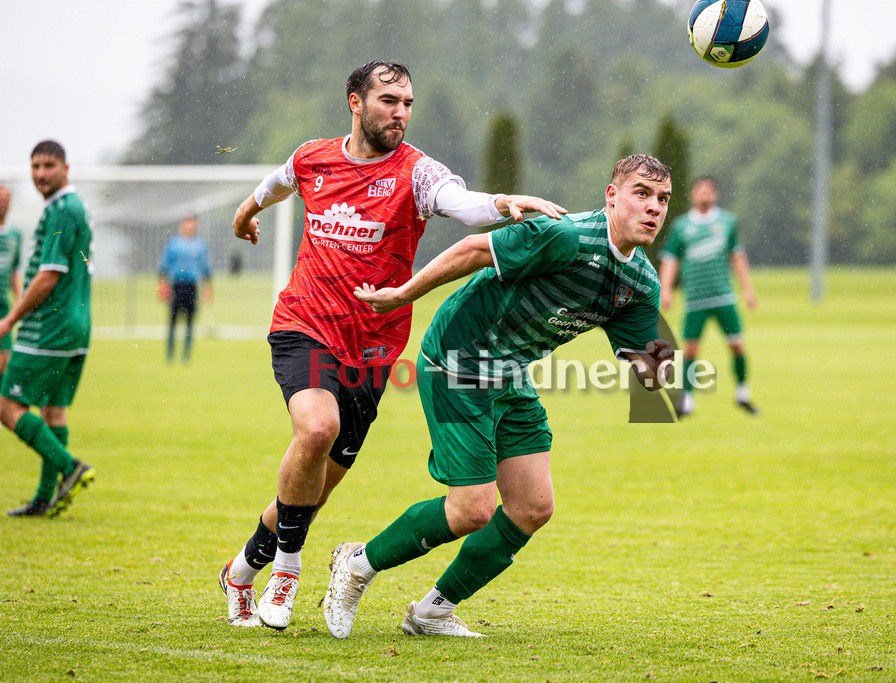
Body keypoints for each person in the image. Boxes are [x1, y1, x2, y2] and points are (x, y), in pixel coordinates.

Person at [219, 60, 566, 629]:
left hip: (373, 348)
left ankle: (240, 570)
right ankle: (286, 568)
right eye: (388, 101)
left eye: (407, 102)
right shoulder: (314, 157)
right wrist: (245, 212)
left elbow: (463, 202)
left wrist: (503, 204)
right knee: (316, 428)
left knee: (314, 487)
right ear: (355, 102)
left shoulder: (416, 173)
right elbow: (277, 182)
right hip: (304, 323)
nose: (400, 112)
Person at [321, 154, 676, 639]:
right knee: (472, 509)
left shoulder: (641, 281)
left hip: (509, 373)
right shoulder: (565, 235)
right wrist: (404, 294)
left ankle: (431, 612)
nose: (653, 207)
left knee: (532, 505)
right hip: (457, 361)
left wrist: (665, 368)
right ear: (611, 196)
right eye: (641, 193)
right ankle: (359, 563)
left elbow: (649, 366)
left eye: (662, 199)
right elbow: (472, 250)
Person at [1, 141, 95, 517]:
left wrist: (10, 320)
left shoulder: (61, 209)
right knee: (54, 411)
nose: (41, 173)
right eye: (35, 166)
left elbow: (47, 277)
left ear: (65, 168)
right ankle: (43, 499)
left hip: (49, 329)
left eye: (49, 165)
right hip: (77, 327)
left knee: (7, 405)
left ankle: (70, 467)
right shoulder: (76, 207)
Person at [657, 176, 758, 418]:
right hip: (695, 298)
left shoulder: (727, 222)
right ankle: (687, 400)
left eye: (708, 191)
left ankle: (742, 393)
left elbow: (737, 256)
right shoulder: (682, 226)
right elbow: (671, 259)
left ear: (715, 195)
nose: (704, 195)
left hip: (724, 296)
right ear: (693, 194)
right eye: (700, 191)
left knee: (737, 345)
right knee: (690, 350)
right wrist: (665, 290)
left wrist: (748, 289)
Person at [158, 214, 212, 362]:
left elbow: (206, 268)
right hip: (176, 286)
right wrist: (162, 286)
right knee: (173, 321)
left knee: (190, 322)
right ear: (182, 225)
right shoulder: (173, 244)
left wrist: (208, 289)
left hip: (192, 287)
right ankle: (169, 353)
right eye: (187, 223)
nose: (190, 226)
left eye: (192, 223)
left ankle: (186, 355)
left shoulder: (200, 245)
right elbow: (163, 266)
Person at [0, 185, 25, 380]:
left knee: (4, 361)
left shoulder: (15, 235)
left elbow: (13, 271)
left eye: (6, 199)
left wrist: (20, 297)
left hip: (3, 307)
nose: (3, 203)